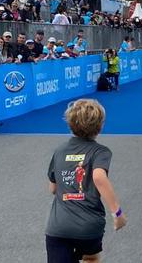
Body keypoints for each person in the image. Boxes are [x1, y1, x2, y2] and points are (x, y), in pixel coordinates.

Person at [45, 99, 126, 263]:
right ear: (100, 126)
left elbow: (53, 188)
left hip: (58, 226)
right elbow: (98, 176)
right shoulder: (100, 152)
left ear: (70, 123)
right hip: (87, 226)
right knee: (90, 257)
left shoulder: (59, 151)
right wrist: (117, 213)